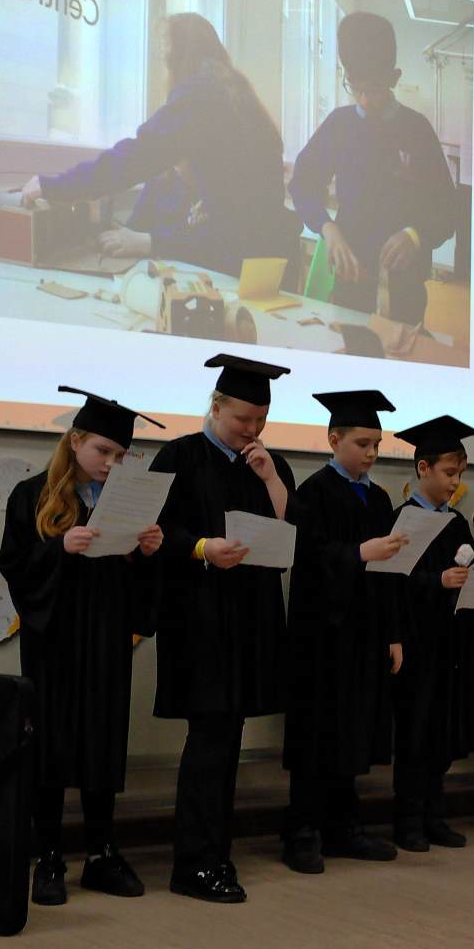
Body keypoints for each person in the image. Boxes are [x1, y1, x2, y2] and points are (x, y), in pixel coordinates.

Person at [0, 386, 165, 907]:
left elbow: (139, 583)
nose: (111, 464)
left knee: (102, 737)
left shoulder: (126, 501)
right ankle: (48, 853)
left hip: (107, 635)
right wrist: (58, 549)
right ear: (75, 441)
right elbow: (13, 565)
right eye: (102, 451)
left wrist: (147, 553)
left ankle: (101, 851)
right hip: (55, 640)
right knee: (50, 739)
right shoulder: (32, 495)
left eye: (121, 455)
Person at [147, 353, 296, 903]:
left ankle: (216, 855)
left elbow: (288, 527)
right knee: (208, 741)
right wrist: (202, 547)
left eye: (260, 420)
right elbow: (155, 526)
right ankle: (194, 862)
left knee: (229, 740)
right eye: (241, 419)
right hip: (201, 618)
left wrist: (269, 476)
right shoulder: (179, 455)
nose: (251, 430)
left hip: (251, 617)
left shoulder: (268, 464)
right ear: (215, 407)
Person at [22, 14, 297, 277]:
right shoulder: (238, 95)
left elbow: (138, 157)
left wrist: (57, 186)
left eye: (165, 57)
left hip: (235, 263)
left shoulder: (201, 94)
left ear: (176, 59)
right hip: (266, 263)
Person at [279, 390, 409, 873]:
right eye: (362, 443)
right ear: (334, 440)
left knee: (353, 730)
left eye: (377, 444)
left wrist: (393, 633)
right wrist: (357, 553)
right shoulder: (313, 493)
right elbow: (307, 558)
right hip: (322, 636)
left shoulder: (378, 498)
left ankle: (344, 827)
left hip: (365, 633)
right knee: (318, 731)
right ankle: (302, 831)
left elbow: (389, 573)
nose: (372, 453)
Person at [289, 11, 458, 327]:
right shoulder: (339, 126)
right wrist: (328, 228)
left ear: (394, 78)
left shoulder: (416, 130)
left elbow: (447, 210)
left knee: (400, 350)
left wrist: (415, 235)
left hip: (405, 286)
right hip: (350, 279)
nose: (365, 100)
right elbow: (303, 185)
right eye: (356, 87)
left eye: (375, 89)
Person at [389, 415, 474, 852]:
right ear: (424, 468)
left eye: (460, 474)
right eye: (449, 473)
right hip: (419, 643)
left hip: (453, 644)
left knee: (442, 731)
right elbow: (393, 583)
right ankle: (408, 820)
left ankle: (434, 815)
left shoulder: (456, 521)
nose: (456, 482)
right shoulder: (403, 520)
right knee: (415, 732)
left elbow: (470, 569)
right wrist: (436, 581)